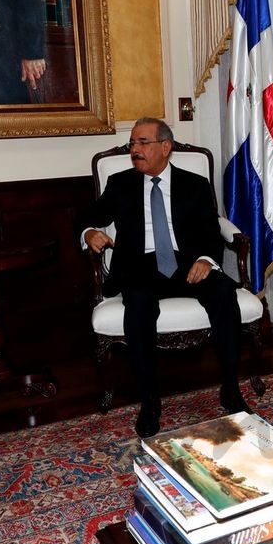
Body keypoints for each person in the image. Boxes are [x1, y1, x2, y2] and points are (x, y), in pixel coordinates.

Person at [79, 118, 249, 438]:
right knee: (139, 302)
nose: (135, 150)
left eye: (142, 143)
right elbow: (88, 216)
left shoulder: (195, 184)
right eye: (132, 144)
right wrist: (89, 233)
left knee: (224, 293)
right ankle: (150, 400)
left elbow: (211, 231)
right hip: (140, 266)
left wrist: (205, 259)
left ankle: (230, 389)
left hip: (187, 264)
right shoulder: (120, 183)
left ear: (165, 147)